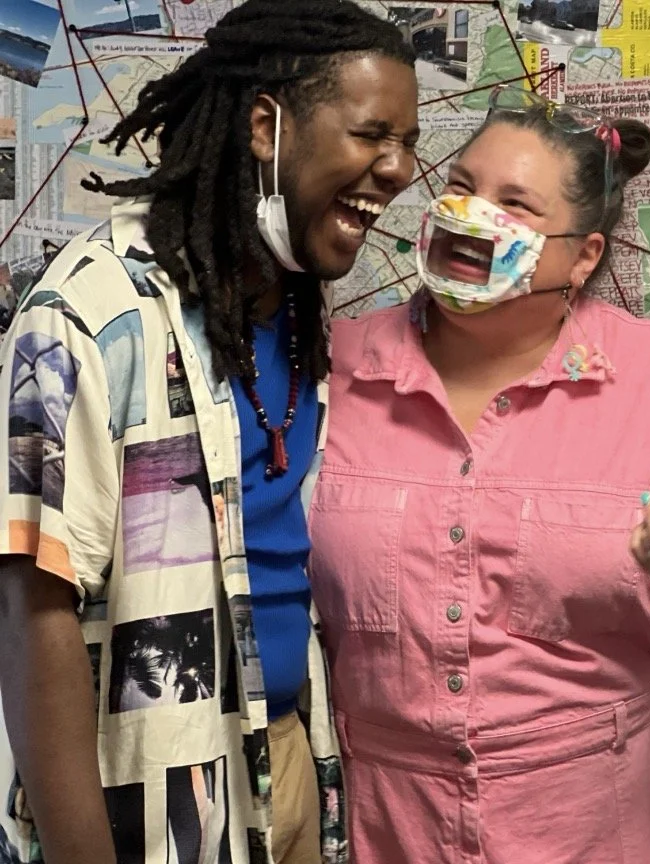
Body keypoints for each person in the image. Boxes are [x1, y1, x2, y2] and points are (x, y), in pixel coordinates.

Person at [308, 85, 650, 864]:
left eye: (514, 203)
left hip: (607, 827)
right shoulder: (336, 367)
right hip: (389, 828)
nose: (471, 214)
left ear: (583, 255)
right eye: (461, 186)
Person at [0, 2, 419, 861]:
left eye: (408, 143)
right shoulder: (89, 319)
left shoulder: (295, 306)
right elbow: (33, 613)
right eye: (371, 135)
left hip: (291, 760)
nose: (399, 169)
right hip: (149, 802)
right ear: (266, 127)